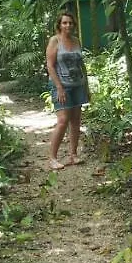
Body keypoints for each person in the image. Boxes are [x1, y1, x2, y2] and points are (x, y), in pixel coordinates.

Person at [45, 10, 89, 170]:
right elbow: (50, 65)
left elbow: (81, 64)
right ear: (59, 25)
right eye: (64, 22)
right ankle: (52, 158)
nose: (68, 25)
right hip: (61, 85)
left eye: (70, 22)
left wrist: (87, 86)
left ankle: (73, 155)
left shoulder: (76, 41)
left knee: (76, 121)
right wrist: (59, 88)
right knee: (63, 120)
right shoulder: (54, 41)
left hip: (78, 85)